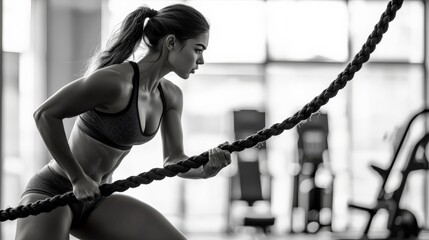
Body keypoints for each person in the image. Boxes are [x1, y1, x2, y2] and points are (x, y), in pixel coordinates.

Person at [15, 3, 231, 240]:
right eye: (198, 49)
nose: (201, 60)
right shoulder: (116, 82)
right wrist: (77, 178)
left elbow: (173, 160)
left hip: (97, 199)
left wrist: (204, 171)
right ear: (171, 43)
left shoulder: (171, 97)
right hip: (55, 191)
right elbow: (45, 115)